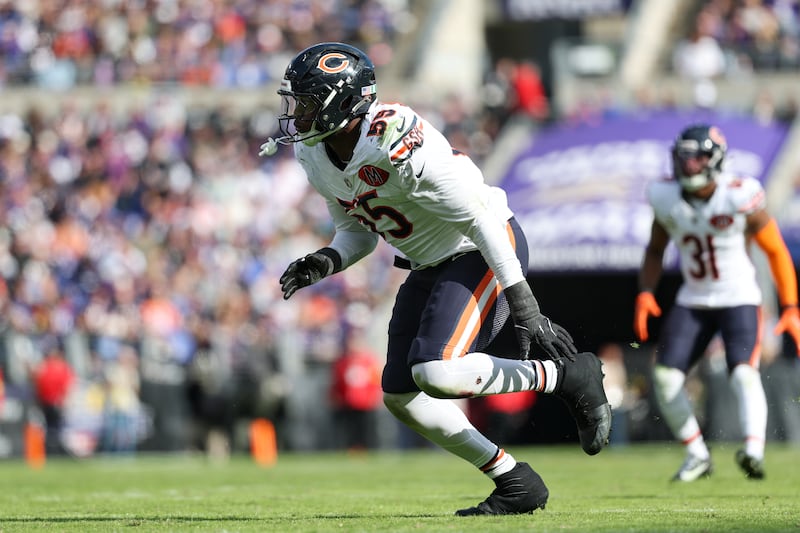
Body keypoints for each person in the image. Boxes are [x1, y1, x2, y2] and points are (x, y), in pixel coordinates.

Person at [260, 42, 611, 516]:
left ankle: (567, 375)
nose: (295, 114)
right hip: (429, 260)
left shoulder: (394, 137)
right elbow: (356, 233)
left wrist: (524, 302)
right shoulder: (316, 154)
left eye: (305, 102)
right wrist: (325, 260)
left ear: (341, 102)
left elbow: (479, 218)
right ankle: (513, 480)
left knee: (437, 372)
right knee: (403, 396)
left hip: (481, 244)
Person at [633, 123, 800, 482]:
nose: (689, 166)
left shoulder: (739, 195)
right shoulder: (665, 195)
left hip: (739, 295)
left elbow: (776, 251)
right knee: (665, 377)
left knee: (743, 371)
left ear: (716, 160)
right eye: (684, 158)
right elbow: (655, 249)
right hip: (694, 298)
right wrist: (646, 292)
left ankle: (753, 450)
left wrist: (790, 307)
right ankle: (696, 454)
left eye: (697, 158)